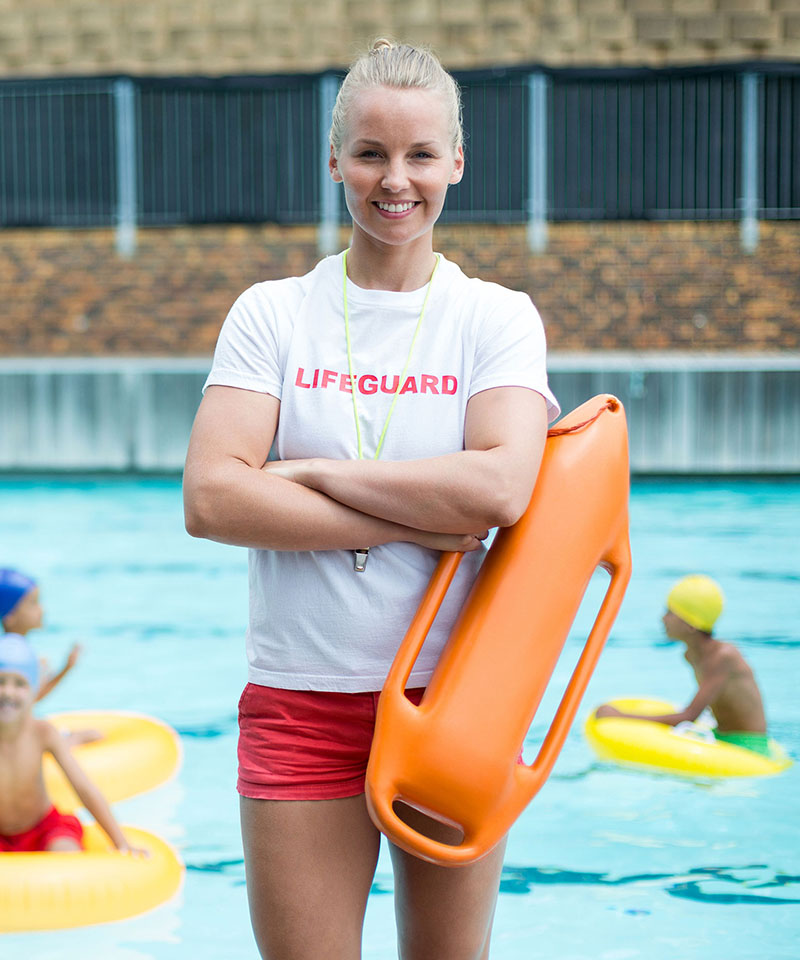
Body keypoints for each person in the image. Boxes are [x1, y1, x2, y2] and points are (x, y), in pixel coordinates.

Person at [184, 38, 559, 959]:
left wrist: (302, 474)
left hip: (458, 701)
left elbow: (502, 487)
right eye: (371, 153)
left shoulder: (494, 317)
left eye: (421, 154)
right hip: (301, 702)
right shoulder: (272, 313)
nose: (396, 180)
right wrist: (427, 517)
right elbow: (211, 499)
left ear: (457, 163)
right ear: (335, 158)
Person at [0, 633, 142, 854]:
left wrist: (121, 843)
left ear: (36, 691)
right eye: (0, 682)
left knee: (66, 850)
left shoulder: (43, 734)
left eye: (19, 684)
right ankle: (74, 738)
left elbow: (83, 788)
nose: (7, 691)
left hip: (44, 828)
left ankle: (74, 738)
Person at [596, 575, 770, 755]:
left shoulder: (723, 657)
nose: (663, 619)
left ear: (691, 625)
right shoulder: (691, 655)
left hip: (749, 747)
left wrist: (620, 716)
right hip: (722, 736)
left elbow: (689, 716)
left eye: (670, 612)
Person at [0, 568, 82, 703]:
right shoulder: (15, 655)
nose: (41, 610)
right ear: (10, 617)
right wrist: (65, 670)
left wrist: (65, 668)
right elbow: (24, 704)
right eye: (33, 603)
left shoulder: (12, 649)